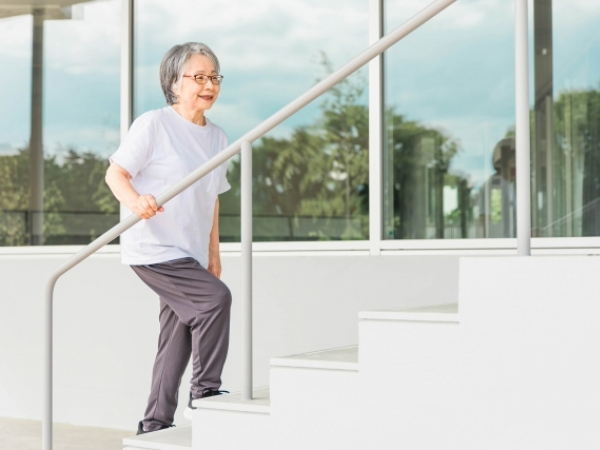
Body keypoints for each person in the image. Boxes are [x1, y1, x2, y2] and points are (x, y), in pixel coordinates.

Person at [105, 42, 232, 434]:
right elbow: (116, 174)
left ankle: (154, 424)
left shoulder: (218, 137)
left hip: (189, 253)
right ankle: (205, 392)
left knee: (175, 337)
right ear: (174, 83)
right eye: (199, 77)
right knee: (216, 300)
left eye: (214, 77)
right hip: (154, 247)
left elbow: (211, 199)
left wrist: (213, 254)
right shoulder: (154, 124)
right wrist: (135, 200)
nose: (208, 84)